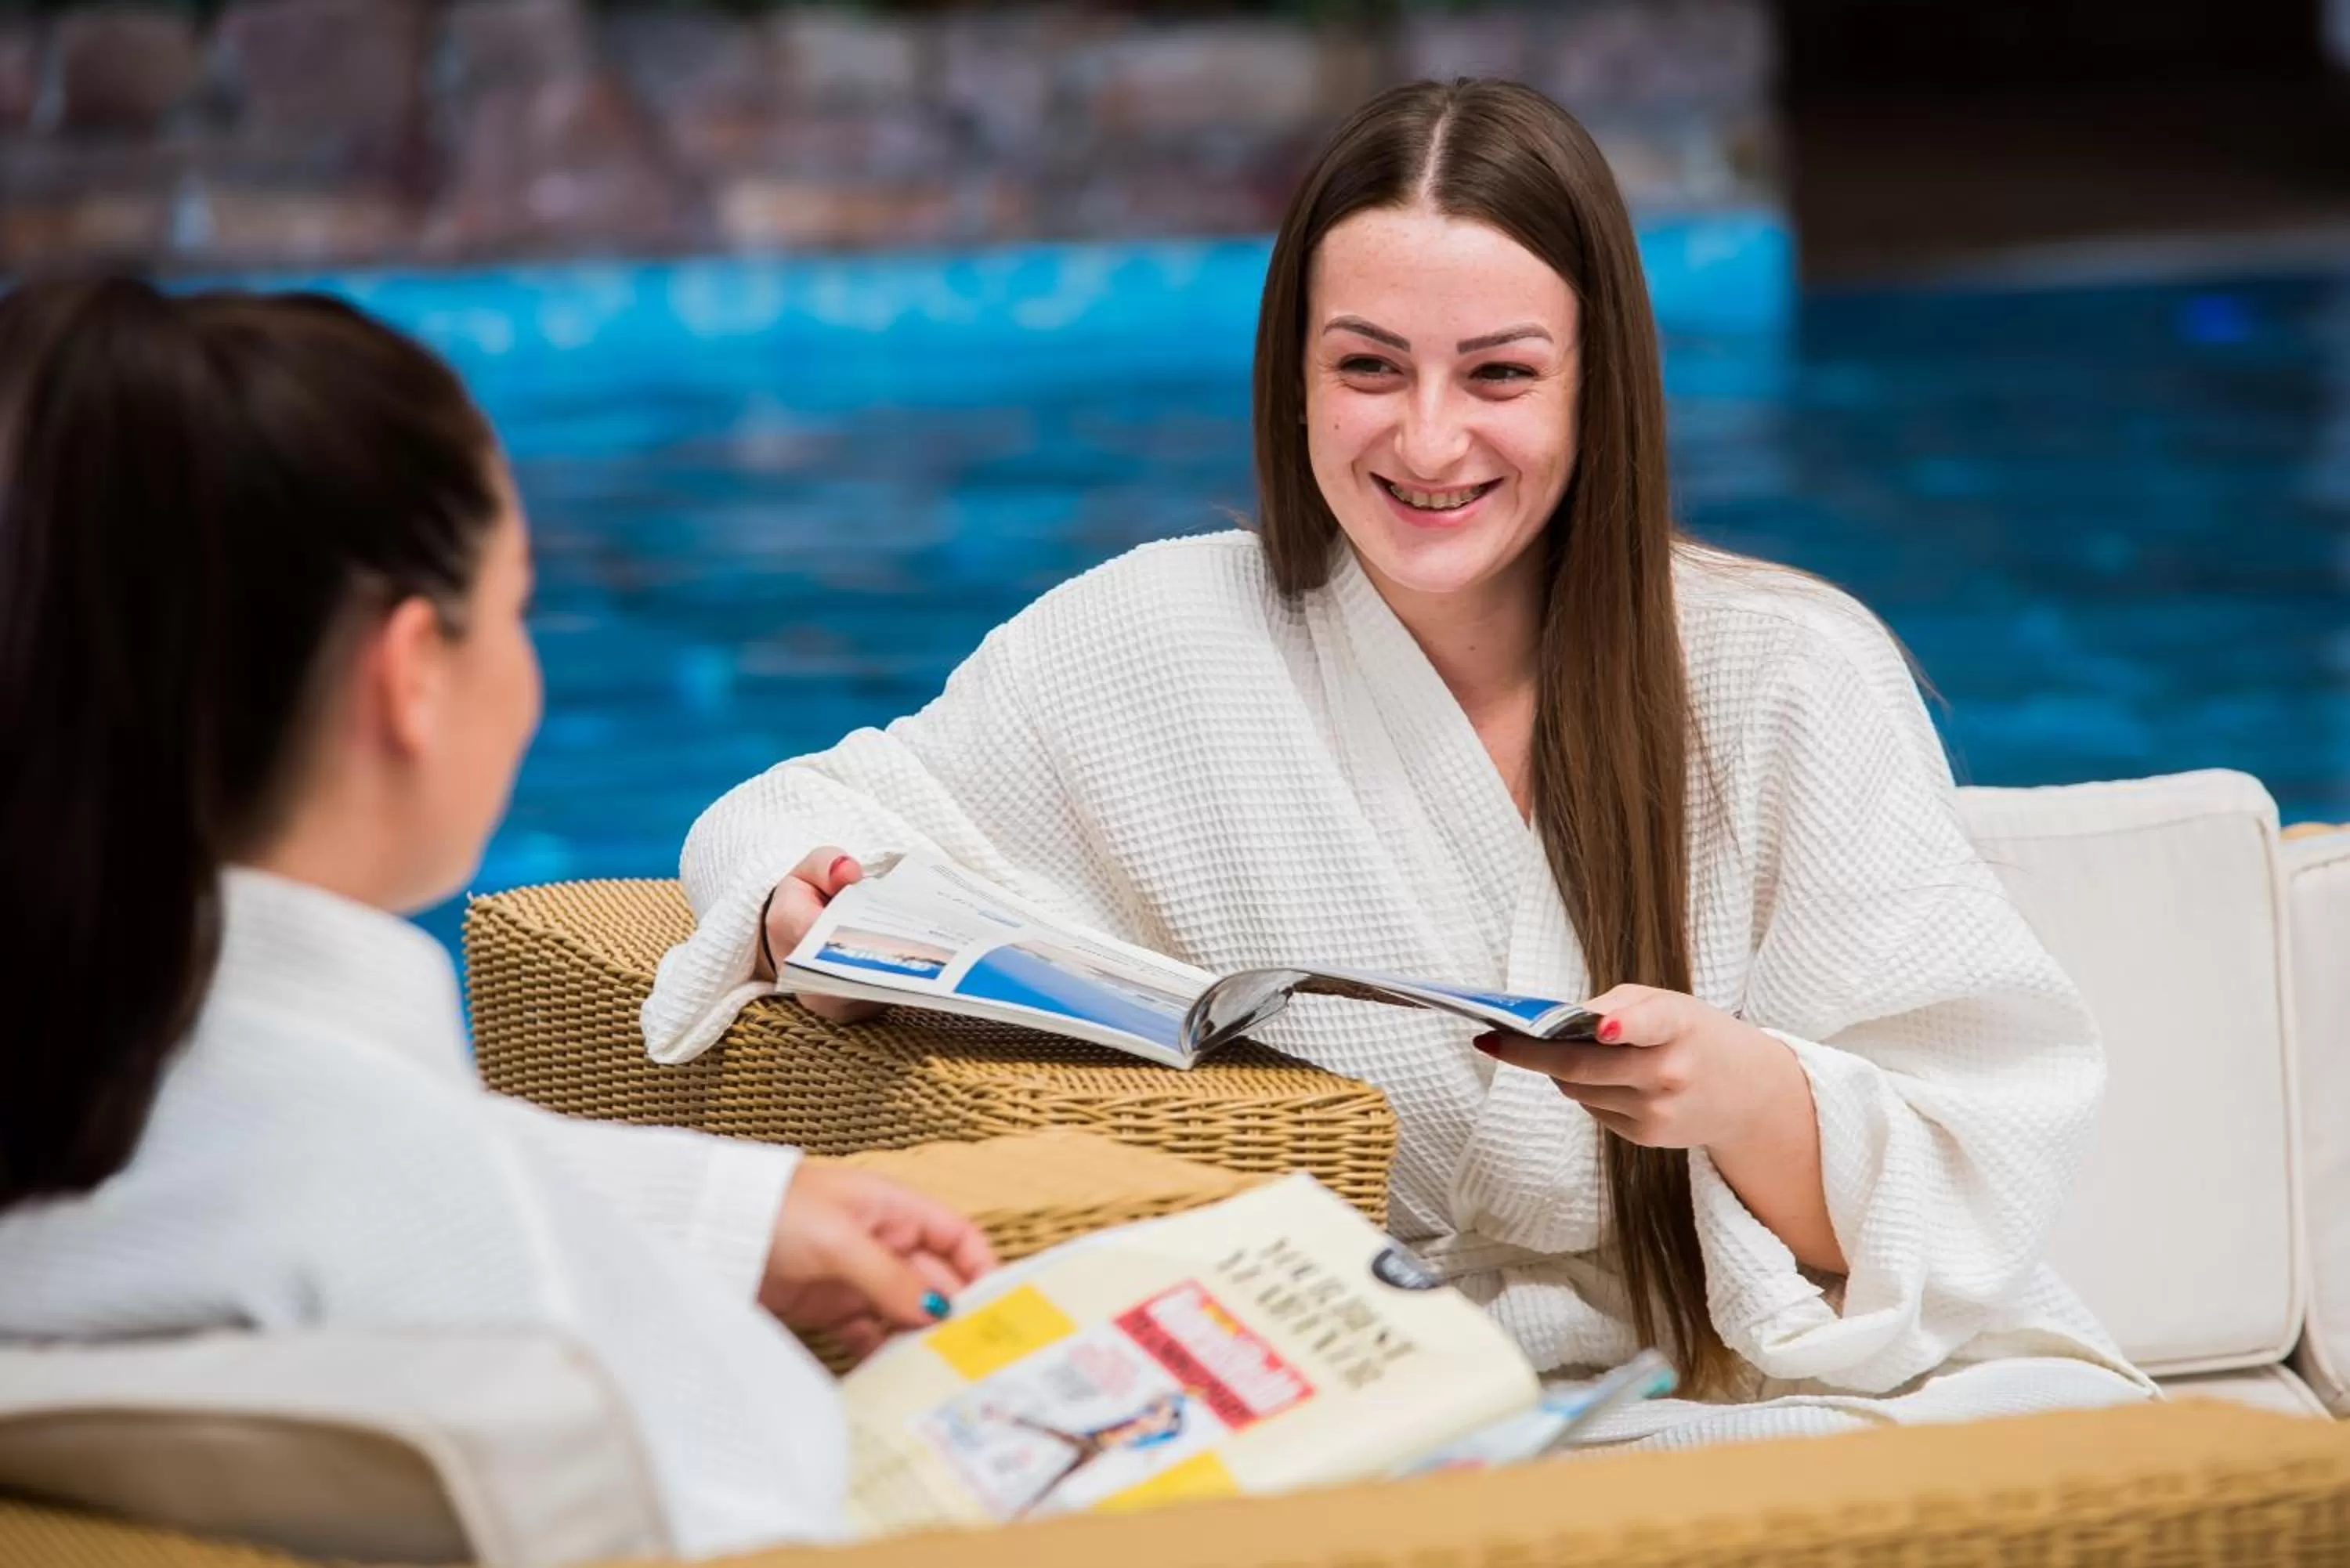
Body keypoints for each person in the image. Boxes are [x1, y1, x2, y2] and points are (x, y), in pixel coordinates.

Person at [645, 78, 2152, 1445]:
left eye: (1499, 375)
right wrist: (803, 904)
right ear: (1294, 378)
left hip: (1733, 1380)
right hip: (1358, 1380)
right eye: (1370, 367)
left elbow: (1972, 1190)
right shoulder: (1154, 637)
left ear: (1596, 386)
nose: (1429, 443)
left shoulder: (1787, 674)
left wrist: (1743, 1092)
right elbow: (788, 809)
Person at [0, 278, 998, 1557]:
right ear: (411, 673)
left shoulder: (105, 1091)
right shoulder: (507, 1300)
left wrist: (714, 1212)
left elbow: (253, 1154)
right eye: (515, 606)